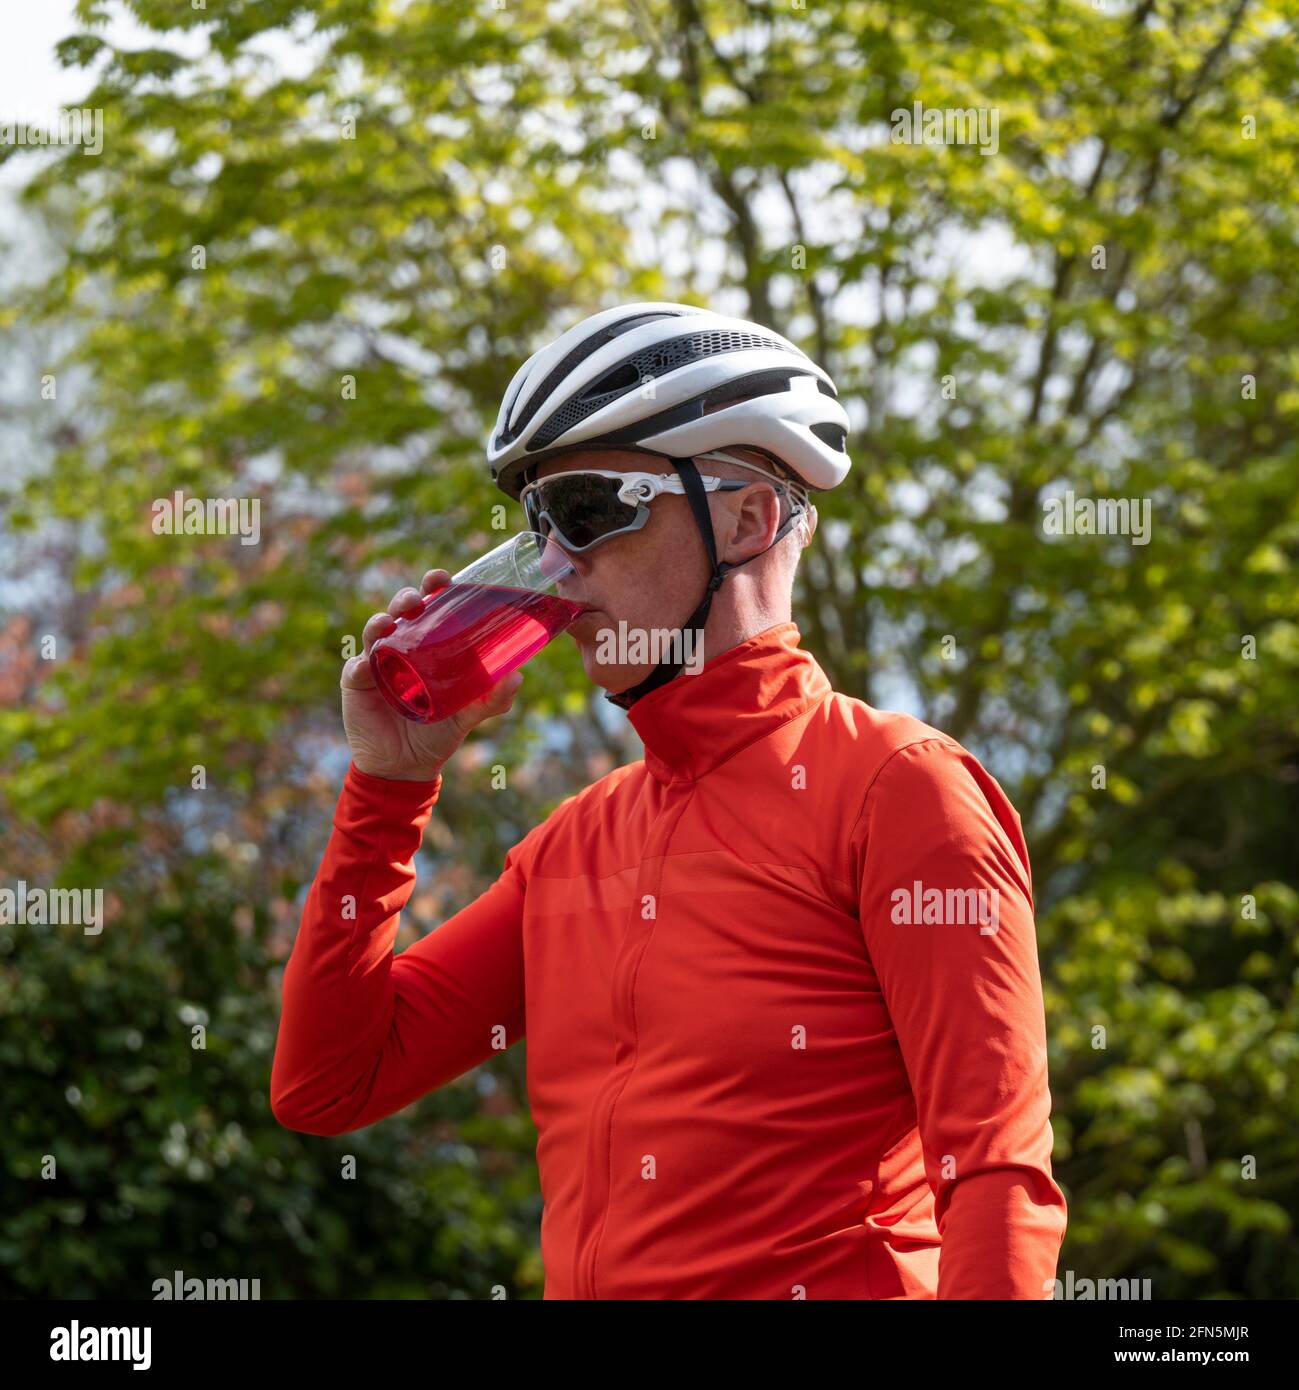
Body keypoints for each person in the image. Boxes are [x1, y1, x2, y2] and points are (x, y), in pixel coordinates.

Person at [271, 301, 1068, 1299]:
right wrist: (390, 783)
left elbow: (997, 1176)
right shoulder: (574, 845)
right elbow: (328, 1083)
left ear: (747, 518)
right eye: (538, 524)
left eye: (592, 510)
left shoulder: (900, 790)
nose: (556, 562)